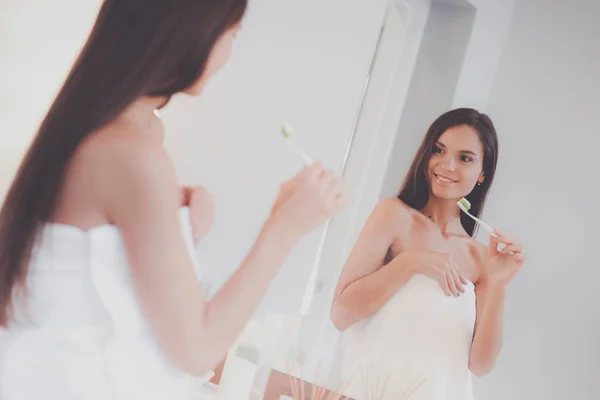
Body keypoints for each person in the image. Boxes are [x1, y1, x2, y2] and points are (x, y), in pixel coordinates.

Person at [0, 1, 345, 399]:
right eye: (232, 34)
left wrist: (171, 211)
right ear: (190, 30)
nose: (231, 51)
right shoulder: (132, 154)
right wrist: (285, 227)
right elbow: (196, 351)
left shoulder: (112, 130)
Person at [330, 108, 525, 399]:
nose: (447, 165)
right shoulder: (393, 216)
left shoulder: (481, 259)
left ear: (483, 173)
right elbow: (341, 315)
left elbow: (481, 365)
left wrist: (497, 284)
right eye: (439, 150)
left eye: (465, 158)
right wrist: (412, 262)